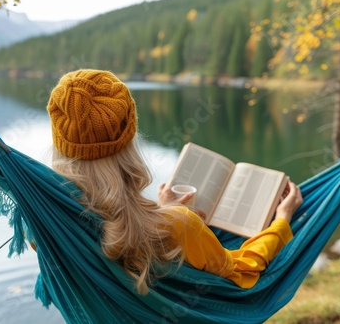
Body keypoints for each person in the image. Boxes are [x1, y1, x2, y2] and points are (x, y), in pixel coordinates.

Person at [45, 69, 303, 295]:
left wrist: (160, 209)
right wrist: (282, 220)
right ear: (129, 136)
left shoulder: (46, 220)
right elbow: (241, 270)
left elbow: (114, 227)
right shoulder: (180, 226)